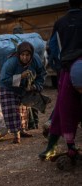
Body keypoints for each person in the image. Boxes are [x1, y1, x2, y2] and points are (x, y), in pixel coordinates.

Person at [39, 0, 82, 161]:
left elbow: (53, 50)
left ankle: (54, 147)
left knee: (62, 109)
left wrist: (60, 68)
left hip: (68, 69)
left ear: (67, 5)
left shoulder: (60, 22)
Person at [0, 42, 46, 144]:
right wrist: (21, 76)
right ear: (18, 54)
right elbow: (4, 80)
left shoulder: (35, 60)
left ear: (31, 55)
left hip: (23, 87)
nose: (25, 58)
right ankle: (16, 134)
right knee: (12, 110)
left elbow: (42, 74)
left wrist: (35, 86)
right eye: (22, 55)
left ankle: (23, 130)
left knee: (23, 108)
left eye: (27, 55)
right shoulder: (11, 62)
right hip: (7, 87)